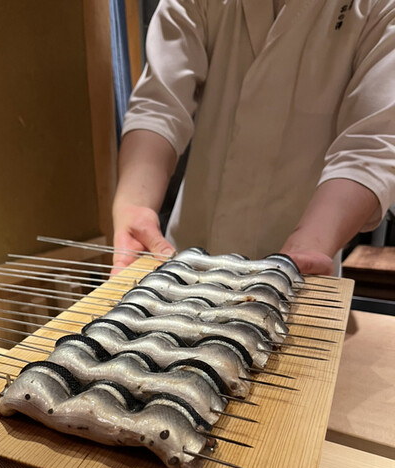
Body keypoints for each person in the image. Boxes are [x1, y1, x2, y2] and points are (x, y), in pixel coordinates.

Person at [111, 0, 395, 276]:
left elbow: (370, 147)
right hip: (182, 259)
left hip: (302, 269)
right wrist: (135, 205)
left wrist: (311, 245)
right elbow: (160, 104)